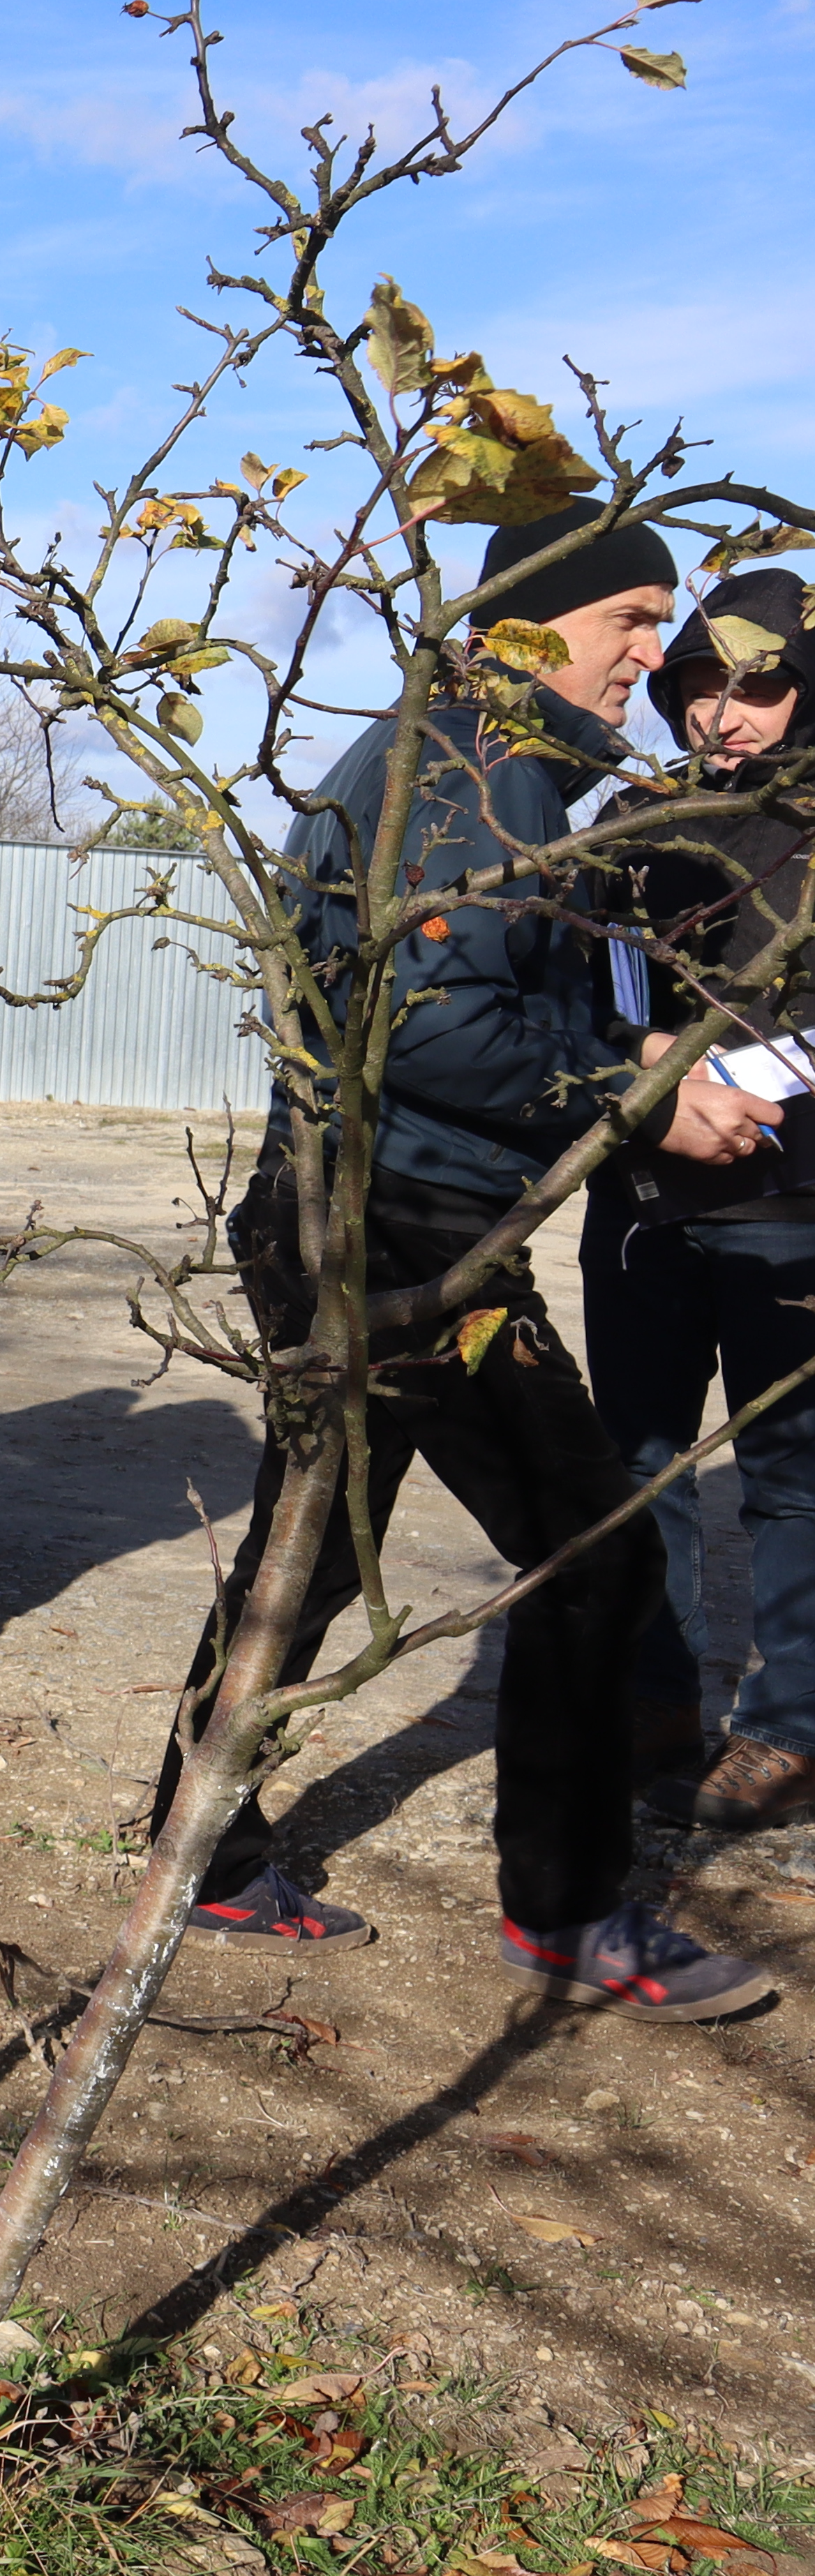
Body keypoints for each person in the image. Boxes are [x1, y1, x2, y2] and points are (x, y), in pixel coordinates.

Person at [139, 507, 778, 2019]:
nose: (653, 652)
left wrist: (626, 1050)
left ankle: (200, 1842)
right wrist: (639, 1093)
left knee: (317, 1539)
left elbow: (465, 995)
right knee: (594, 1550)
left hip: (365, 1210)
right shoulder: (472, 775)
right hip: (398, 1231)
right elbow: (430, 1022)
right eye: (631, 614)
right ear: (527, 621)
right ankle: (568, 1916)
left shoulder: (481, 758)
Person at [584, 566, 815, 1831]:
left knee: (792, 1474)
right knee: (641, 1458)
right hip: (636, 1194)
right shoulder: (632, 817)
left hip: (792, 1187)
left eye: (760, 689)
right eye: (701, 688)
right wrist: (639, 1100)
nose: (725, 716)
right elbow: (596, 991)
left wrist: (741, 1087)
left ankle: (792, 1728)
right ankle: (658, 1697)